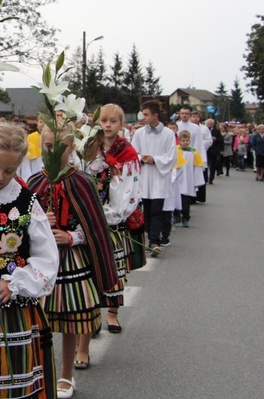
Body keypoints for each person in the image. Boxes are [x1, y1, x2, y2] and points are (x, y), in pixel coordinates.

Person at [28, 121, 118, 399]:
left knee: (70, 320)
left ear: (73, 147)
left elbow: (95, 225)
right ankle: (40, 373)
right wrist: (39, 221)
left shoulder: (83, 182)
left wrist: (71, 237)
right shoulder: (33, 182)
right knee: (37, 322)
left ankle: (66, 374)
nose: (54, 152)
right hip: (40, 261)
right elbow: (19, 223)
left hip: (72, 259)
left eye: (61, 147)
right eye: (49, 146)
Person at [0, 123, 59, 398]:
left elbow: (46, 258)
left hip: (13, 310)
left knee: (13, 382)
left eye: (9, 171)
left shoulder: (27, 202)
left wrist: (14, 283)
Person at [83, 104, 142, 342]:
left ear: (121, 124)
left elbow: (130, 189)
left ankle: (113, 313)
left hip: (113, 218)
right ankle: (95, 312)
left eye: (113, 121)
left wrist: (112, 214)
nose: (107, 125)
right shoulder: (89, 148)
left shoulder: (126, 152)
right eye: (103, 121)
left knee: (115, 267)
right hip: (93, 217)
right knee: (93, 266)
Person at [130, 100, 177, 257]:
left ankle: (154, 241)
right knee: (146, 210)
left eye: (146, 114)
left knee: (157, 210)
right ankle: (148, 236)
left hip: (159, 176)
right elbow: (132, 153)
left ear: (155, 115)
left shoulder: (169, 134)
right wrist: (141, 158)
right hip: (144, 176)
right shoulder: (139, 133)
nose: (143, 117)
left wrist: (155, 159)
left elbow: (171, 156)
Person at [175, 130, 205, 228]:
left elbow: (197, 167)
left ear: (190, 141)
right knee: (176, 198)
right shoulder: (176, 151)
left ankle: (186, 218)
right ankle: (176, 215)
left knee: (186, 200)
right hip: (178, 179)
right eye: (183, 140)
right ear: (179, 141)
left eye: (187, 140)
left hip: (188, 179)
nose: (185, 142)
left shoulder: (194, 153)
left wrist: (197, 181)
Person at [18, 115, 45, 182]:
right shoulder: (31, 137)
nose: (42, 124)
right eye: (40, 122)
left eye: (44, 122)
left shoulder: (50, 136)